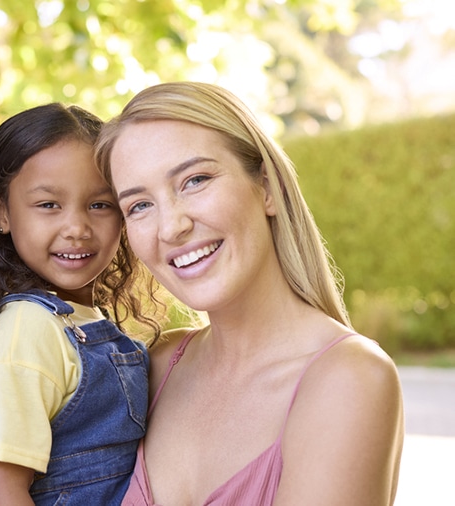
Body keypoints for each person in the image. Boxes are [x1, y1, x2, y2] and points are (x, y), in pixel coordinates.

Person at [95, 81, 404, 505]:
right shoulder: (155, 367)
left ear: (267, 187)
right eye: (139, 206)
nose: (171, 227)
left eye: (194, 180)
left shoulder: (347, 378)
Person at [0, 103, 160, 505]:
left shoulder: (84, 325)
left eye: (99, 204)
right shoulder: (26, 332)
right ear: (1, 212)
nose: (77, 228)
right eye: (49, 205)